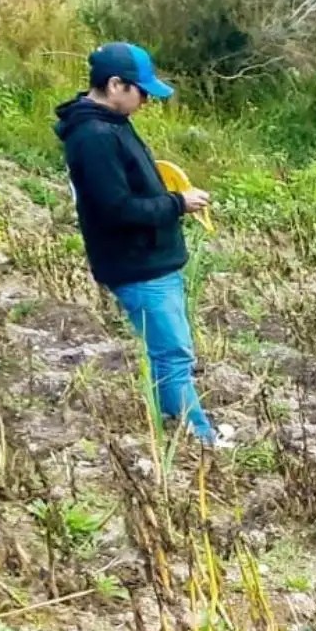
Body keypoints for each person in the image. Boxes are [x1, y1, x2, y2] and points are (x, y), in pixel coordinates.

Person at [56, 42, 220, 446]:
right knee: (173, 354)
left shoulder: (110, 122)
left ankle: (177, 427)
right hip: (138, 266)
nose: (146, 100)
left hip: (152, 260)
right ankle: (200, 440)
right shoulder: (94, 136)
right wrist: (178, 203)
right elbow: (116, 209)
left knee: (168, 352)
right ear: (115, 85)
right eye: (141, 91)